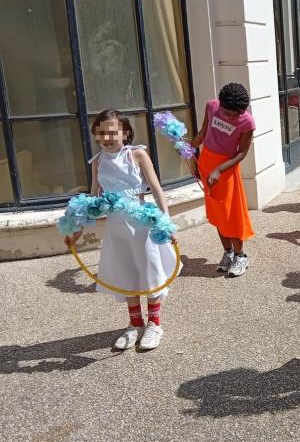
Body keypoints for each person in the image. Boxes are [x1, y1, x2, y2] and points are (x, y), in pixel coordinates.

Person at [63, 110, 179, 351]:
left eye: (112, 132)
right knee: (127, 273)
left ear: (125, 132)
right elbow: (93, 198)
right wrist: (78, 229)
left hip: (141, 224)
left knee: (149, 270)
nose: (107, 137)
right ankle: (135, 324)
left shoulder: (137, 154)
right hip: (116, 227)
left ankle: (154, 324)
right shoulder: (98, 161)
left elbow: (157, 189)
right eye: (101, 133)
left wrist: (166, 223)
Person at [192, 83, 255, 277]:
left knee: (231, 213)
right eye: (227, 113)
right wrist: (189, 145)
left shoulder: (247, 122)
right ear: (220, 105)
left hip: (225, 168)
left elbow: (242, 152)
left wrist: (219, 169)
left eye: (237, 114)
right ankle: (228, 252)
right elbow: (203, 134)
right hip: (206, 164)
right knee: (217, 212)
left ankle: (240, 256)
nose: (232, 117)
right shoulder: (211, 106)